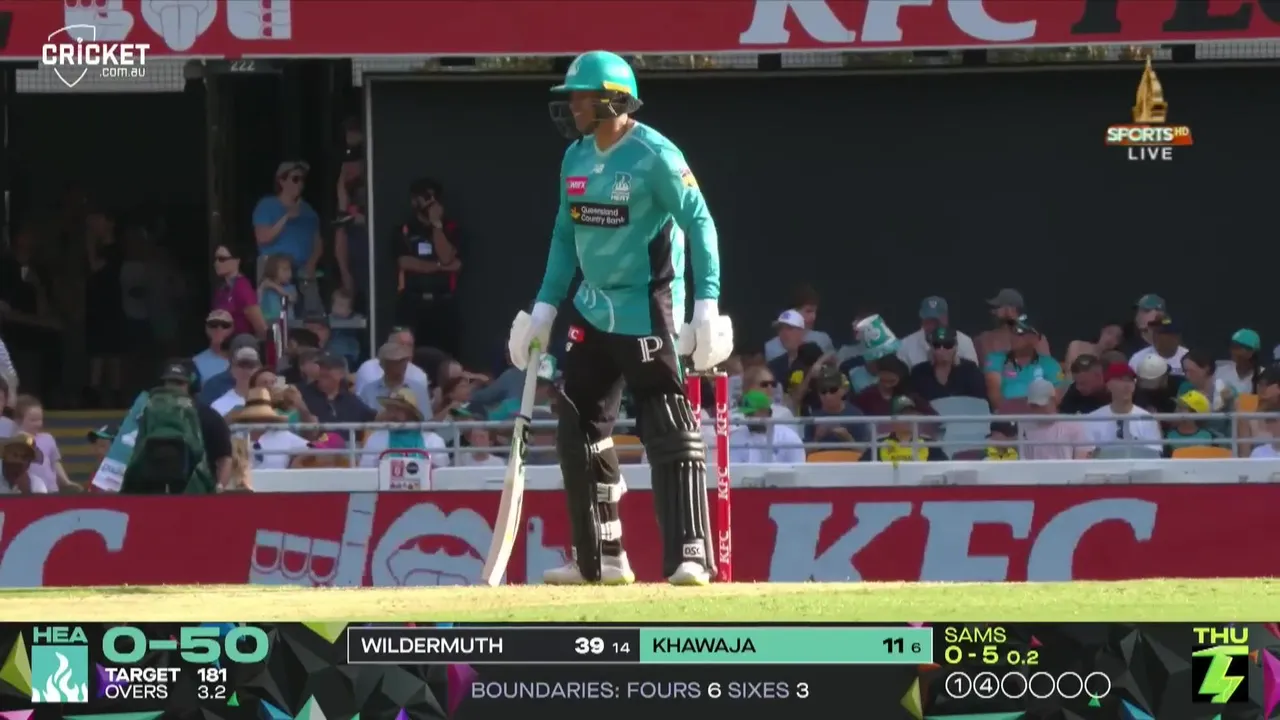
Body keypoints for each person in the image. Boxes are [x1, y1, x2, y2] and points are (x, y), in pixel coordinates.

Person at [506, 51, 733, 587]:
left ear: (613, 99)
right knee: (577, 428)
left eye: (581, 97)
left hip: (648, 306)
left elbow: (700, 222)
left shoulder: (655, 155)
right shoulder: (575, 158)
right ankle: (601, 559)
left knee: (666, 422)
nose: (572, 107)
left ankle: (690, 555)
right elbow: (565, 235)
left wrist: (707, 303)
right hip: (592, 307)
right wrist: (544, 306)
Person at [395, 178, 463, 357]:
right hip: (412, 303)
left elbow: (449, 259)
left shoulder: (451, 228)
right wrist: (441, 266)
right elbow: (405, 262)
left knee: (445, 355)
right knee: (406, 353)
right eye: (426, 197)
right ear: (414, 200)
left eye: (434, 197)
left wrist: (436, 225)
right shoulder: (404, 229)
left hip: (443, 303)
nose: (431, 202)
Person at [253, 160, 323, 315]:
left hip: (304, 270)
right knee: (275, 315)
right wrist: (286, 217)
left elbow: (318, 243)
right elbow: (262, 237)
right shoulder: (267, 205)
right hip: (274, 269)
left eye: (302, 179)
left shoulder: (308, 210)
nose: (300, 183)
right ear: (282, 181)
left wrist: (312, 263)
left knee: (312, 314)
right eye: (295, 179)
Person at [1083, 363, 1163, 457]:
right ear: (1108, 385)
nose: (1127, 385)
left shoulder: (1147, 419)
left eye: (1130, 380)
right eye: (1120, 380)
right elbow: (1088, 455)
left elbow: (1155, 454)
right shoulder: (1093, 419)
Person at [359, 387, 449, 469]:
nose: (392, 414)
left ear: (411, 413)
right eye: (390, 409)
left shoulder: (433, 441)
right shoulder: (376, 439)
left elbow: (443, 477)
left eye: (398, 409)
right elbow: (366, 474)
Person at [226, 388, 310, 470]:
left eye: (263, 417)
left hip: (276, 479)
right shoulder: (235, 437)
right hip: (243, 478)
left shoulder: (283, 435)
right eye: (254, 417)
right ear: (247, 419)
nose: (259, 420)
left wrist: (297, 462)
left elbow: (314, 447)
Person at [13, 395, 79, 493]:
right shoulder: (16, 440)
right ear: (19, 420)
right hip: (29, 492)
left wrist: (66, 481)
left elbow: (55, 462)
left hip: (51, 489)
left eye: (40, 419)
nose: (38, 424)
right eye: (33, 420)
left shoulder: (48, 438)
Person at [909, 326, 987, 403]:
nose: (942, 349)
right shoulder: (919, 372)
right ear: (931, 347)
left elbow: (979, 402)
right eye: (937, 345)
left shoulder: (970, 370)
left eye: (948, 345)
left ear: (955, 347)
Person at [727, 390, 805, 465]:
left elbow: (798, 469)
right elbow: (734, 469)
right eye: (746, 414)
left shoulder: (788, 437)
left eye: (751, 414)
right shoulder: (737, 437)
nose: (747, 418)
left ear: (764, 412)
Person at [897, 296, 978, 368]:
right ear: (922, 320)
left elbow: (973, 374)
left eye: (936, 322)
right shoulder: (906, 344)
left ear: (946, 319)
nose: (932, 326)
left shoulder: (964, 341)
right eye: (928, 321)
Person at [1021, 378, 1091, 460]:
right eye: (1034, 406)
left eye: (1042, 405)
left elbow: (1082, 460)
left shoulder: (1073, 425)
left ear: (1054, 400)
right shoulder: (1024, 429)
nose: (1039, 410)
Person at [211, 246, 267, 339]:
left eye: (222, 259)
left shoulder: (242, 288)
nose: (216, 263)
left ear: (237, 261)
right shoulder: (221, 288)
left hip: (240, 343)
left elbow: (260, 326)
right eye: (215, 259)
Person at [355, 327, 429, 395]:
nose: (406, 349)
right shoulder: (368, 369)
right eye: (401, 344)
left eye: (409, 345)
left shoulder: (420, 376)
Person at [1215, 328, 1263, 396]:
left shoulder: (1264, 375)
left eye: (1236, 347)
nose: (1232, 351)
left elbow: (1258, 401)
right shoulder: (1220, 371)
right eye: (1231, 346)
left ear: (1250, 352)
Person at [257, 254, 298, 327]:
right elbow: (257, 302)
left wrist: (275, 287)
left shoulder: (291, 288)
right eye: (285, 270)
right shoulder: (265, 287)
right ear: (273, 271)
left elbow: (291, 298)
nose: (288, 273)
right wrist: (263, 286)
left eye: (289, 270)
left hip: (288, 324)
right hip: (269, 323)